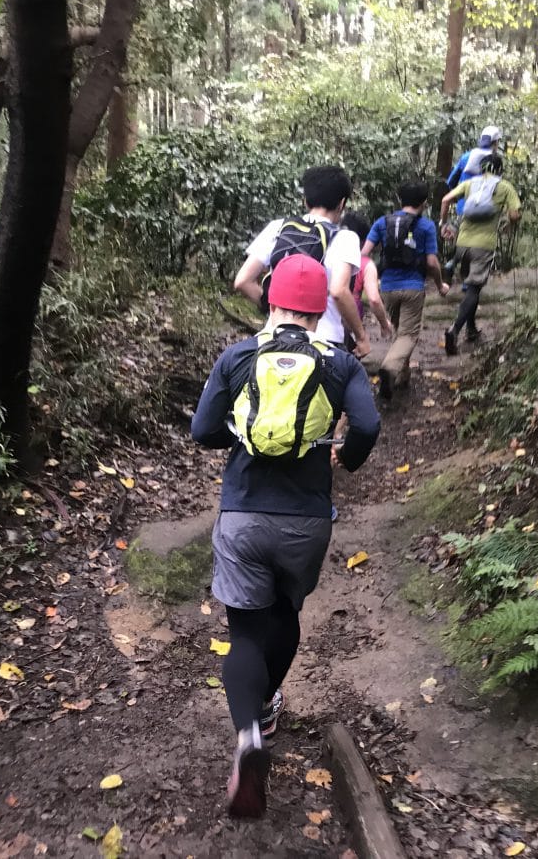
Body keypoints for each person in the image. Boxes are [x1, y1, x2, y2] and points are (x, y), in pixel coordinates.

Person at [191, 254, 380, 819]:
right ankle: (269, 702)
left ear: (272, 300)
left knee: (245, 633)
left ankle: (251, 731)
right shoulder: (340, 363)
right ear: (321, 307)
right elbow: (368, 425)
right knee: (287, 615)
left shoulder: (238, 356)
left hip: (244, 514)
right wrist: (345, 456)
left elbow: (202, 431)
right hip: (306, 520)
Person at [233, 166, 371, 359]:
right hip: (325, 342)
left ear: (305, 201)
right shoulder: (345, 238)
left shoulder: (277, 227)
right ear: (342, 203)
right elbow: (339, 290)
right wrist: (361, 337)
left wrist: (275, 310)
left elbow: (242, 281)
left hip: (274, 338)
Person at [361, 180, 449, 399]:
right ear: (424, 203)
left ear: (400, 200)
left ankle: (402, 376)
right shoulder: (426, 226)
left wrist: (372, 278)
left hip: (388, 288)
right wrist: (440, 285)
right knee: (408, 335)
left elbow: (364, 253)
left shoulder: (382, 222)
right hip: (413, 288)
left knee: (400, 332)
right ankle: (390, 368)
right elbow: (431, 262)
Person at [439, 154, 521, 356]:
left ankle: (472, 329)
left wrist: (444, 223)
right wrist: (509, 225)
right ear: (500, 169)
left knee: (469, 287)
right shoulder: (505, 187)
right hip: (483, 247)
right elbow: (514, 214)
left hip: (462, 244)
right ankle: (455, 329)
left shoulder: (470, 183)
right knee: (474, 289)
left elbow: (446, 199)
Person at [340, 210, 393, 350]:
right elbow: (374, 299)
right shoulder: (365, 263)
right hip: (350, 317)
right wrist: (384, 324)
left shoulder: (326, 253)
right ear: (363, 240)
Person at [445, 124, 502, 217]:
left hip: (464, 209)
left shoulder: (466, 157)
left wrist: (458, 196)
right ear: (495, 143)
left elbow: (451, 181)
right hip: (486, 212)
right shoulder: (496, 162)